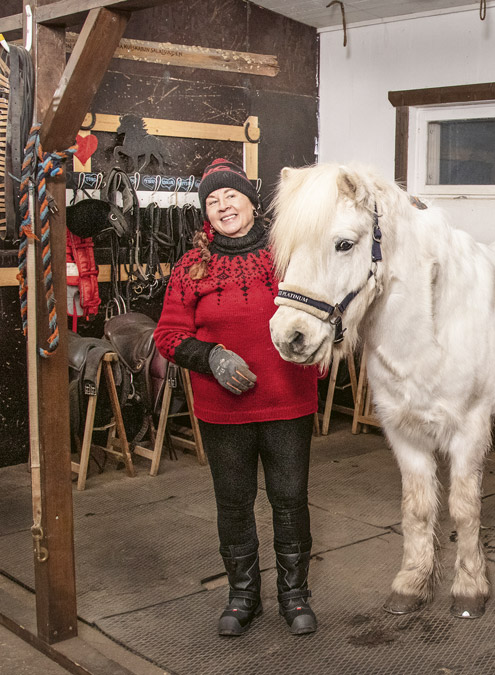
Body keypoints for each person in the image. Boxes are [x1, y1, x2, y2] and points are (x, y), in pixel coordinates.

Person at [154, 158, 319, 636]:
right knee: (234, 504)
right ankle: (244, 596)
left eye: (231, 195)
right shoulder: (191, 266)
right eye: (212, 199)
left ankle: (295, 596)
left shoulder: (288, 256)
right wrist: (211, 359)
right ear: (206, 212)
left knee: (289, 501)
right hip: (223, 410)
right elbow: (168, 335)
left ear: (250, 199)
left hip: (287, 402)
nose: (223, 205)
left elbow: (322, 311)